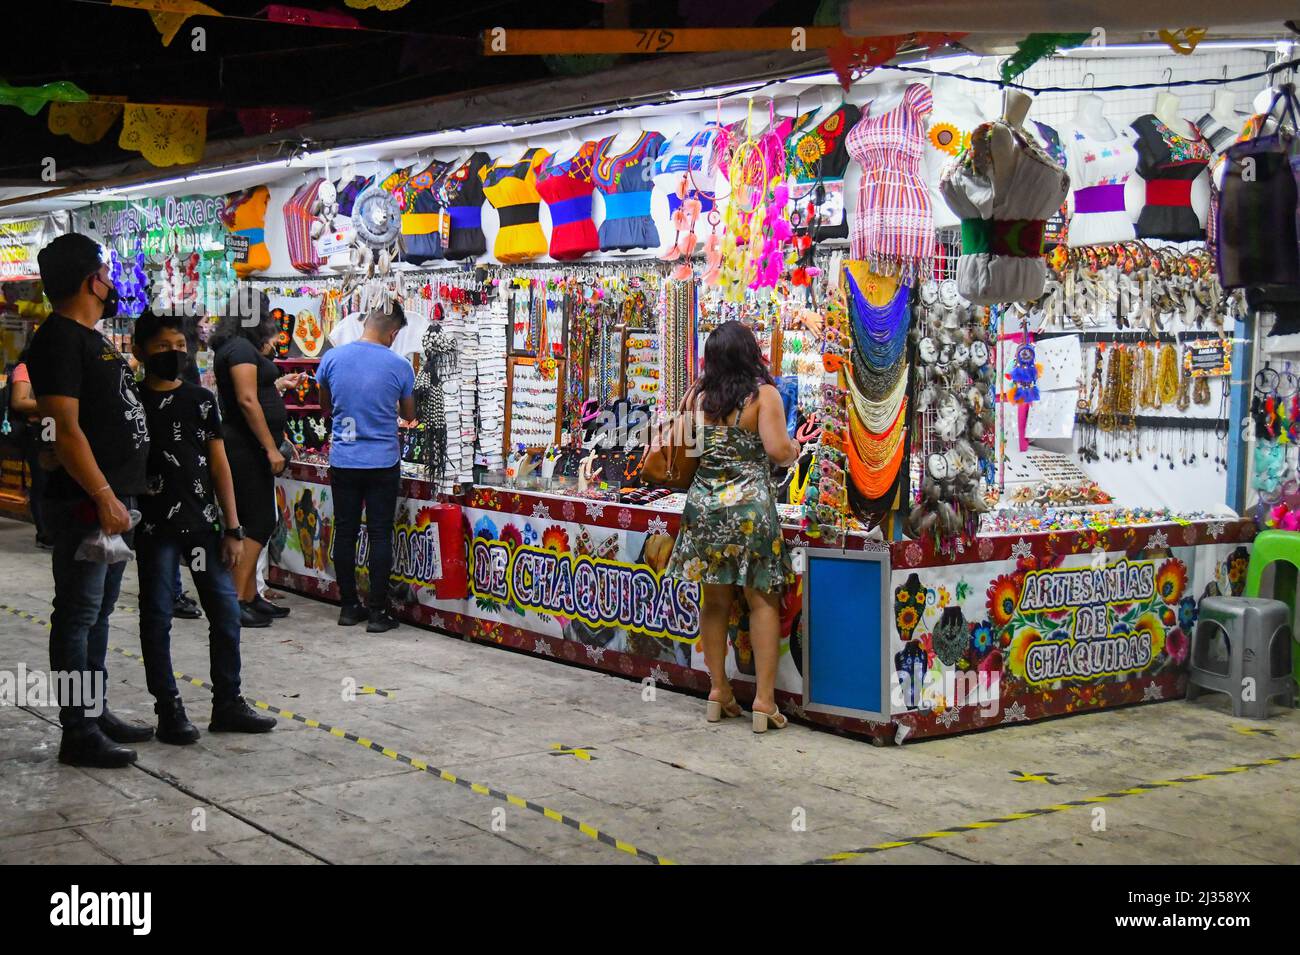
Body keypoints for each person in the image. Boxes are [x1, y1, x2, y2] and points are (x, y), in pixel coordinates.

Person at [27, 233, 154, 767]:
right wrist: (102, 494)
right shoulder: (59, 338)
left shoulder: (90, 336)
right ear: (90, 280)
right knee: (78, 614)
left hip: (114, 497)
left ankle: (95, 711)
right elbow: (63, 427)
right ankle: (76, 730)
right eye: (105, 271)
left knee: (98, 613)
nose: (112, 281)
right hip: (87, 503)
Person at [131, 310, 277, 742]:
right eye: (163, 348)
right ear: (140, 352)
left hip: (203, 526)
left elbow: (219, 466)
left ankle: (227, 703)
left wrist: (233, 528)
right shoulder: (133, 403)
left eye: (180, 347)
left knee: (226, 613)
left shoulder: (201, 400)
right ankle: (168, 710)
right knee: (157, 618)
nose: (174, 355)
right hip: (154, 530)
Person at [662, 320, 799, 733]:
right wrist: (795, 447)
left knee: (715, 600)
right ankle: (763, 702)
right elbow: (778, 452)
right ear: (749, 353)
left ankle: (718, 690)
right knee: (762, 601)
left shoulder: (697, 398)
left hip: (704, 508)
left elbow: (689, 454)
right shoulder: (764, 396)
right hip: (749, 511)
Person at [317, 302, 415, 633]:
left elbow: (325, 406)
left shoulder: (332, 359)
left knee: (345, 531)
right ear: (393, 332)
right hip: (382, 461)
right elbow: (409, 413)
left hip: (343, 459)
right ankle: (377, 612)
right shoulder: (399, 365)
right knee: (379, 533)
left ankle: (348, 606)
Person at [210, 296, 302, 628]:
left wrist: (276, 384)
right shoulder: (240, 350)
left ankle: (249, 595)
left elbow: (253, 392)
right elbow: (247, 400)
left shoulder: (238, 348)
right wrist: (270, 448)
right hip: (246, 448)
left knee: (259, 520)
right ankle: (236, 599)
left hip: (247, 446)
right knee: (258, 520)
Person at [6, 348, 53, 548]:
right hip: (36, 430)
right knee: (42, 479)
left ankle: (52, 530)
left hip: (51, 426)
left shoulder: (50, 367)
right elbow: (19, 401)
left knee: (52, 479)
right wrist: (52, 405)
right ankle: (44, 533)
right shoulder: (25, 368)